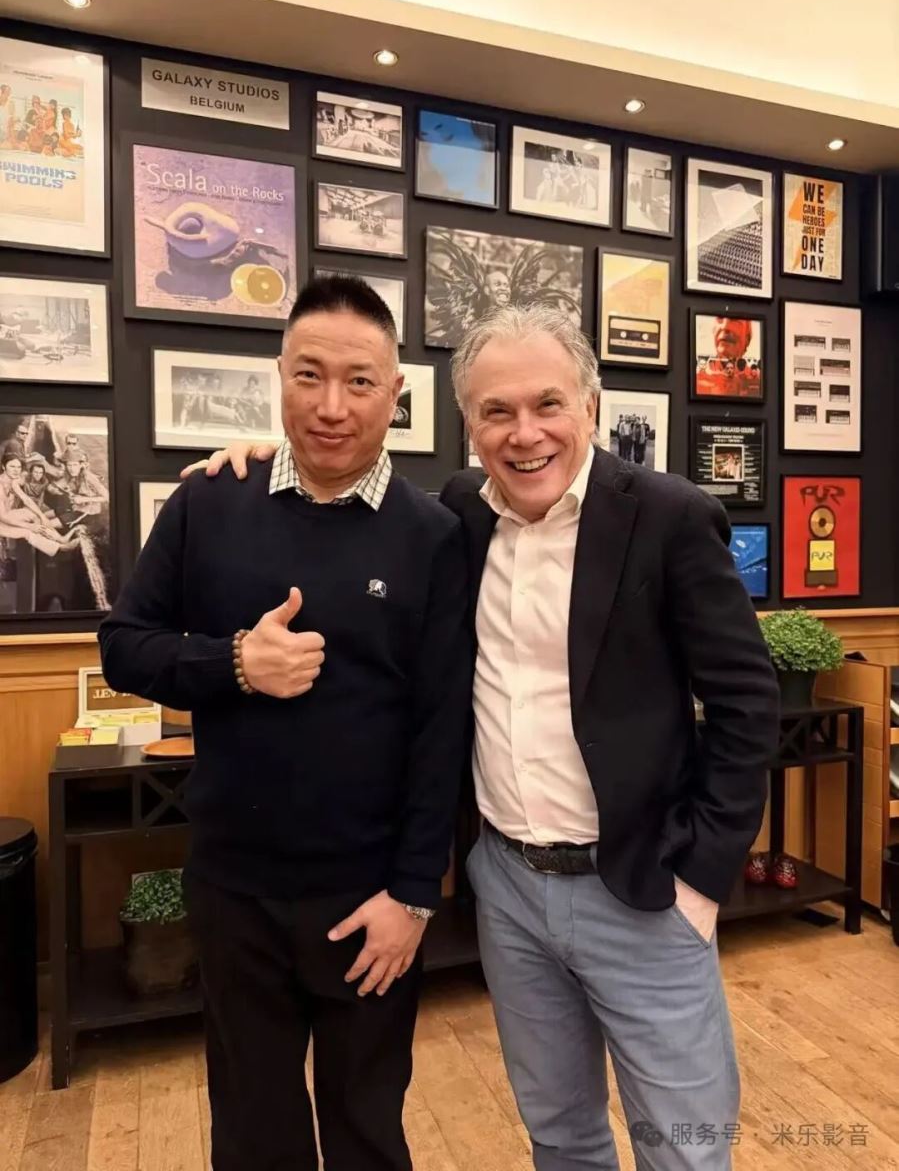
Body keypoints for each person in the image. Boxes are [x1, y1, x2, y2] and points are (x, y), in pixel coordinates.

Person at [186, 304, 780, 1171]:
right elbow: (341, 486)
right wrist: (256, 462)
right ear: (468, 424)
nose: (524, 433)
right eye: (496, 412)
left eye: (548, 405)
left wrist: (701, 878)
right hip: (507, 889)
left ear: (590, 405)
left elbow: (746, 702)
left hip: (642, 889)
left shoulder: (669, 517)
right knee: (559, 1133)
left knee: (683, 1150)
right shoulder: (461, 514)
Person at [98, 276, 471, 1171]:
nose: (331, 407)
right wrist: (232, 663)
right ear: (278, 375)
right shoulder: (208, 502)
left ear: (394, 393)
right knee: (252, 1131)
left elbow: (441, 728)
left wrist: (414, 895)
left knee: (367, 1128)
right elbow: (124, 648)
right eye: (309, 375)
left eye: (359, 382)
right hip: (234, 889)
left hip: (370, 897)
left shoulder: (432, 535)